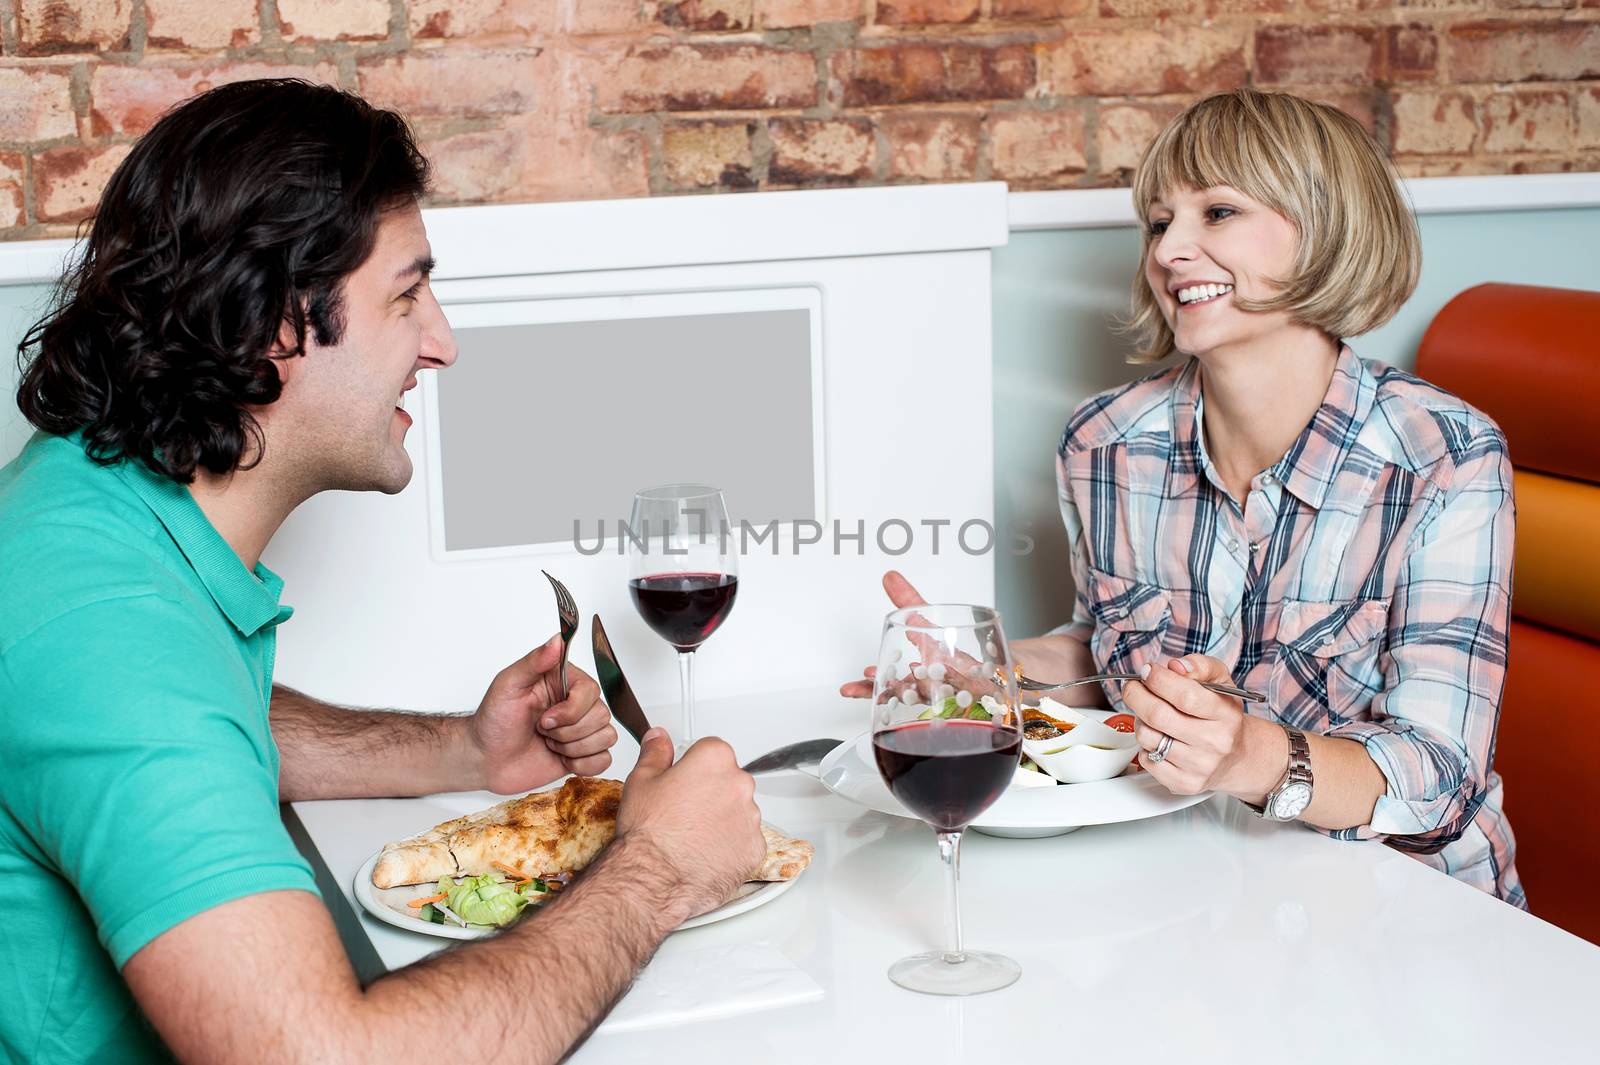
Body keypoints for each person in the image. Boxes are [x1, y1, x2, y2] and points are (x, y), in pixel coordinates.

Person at [0, 80, 765, 1064]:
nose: (439, 343)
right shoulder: (109, 631)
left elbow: (198, 723)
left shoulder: (83, 509)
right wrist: (663, 869)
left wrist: (464, 752)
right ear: (274, 326)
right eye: (405, 296)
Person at [845, 88, 1522, 906]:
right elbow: (1108, 646)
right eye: (1161, 222)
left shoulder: (1443, 458)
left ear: (1325, 228)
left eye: (1219, 212)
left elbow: (1441, 779)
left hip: (1407, 908)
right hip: (1188, 883)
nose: (1171, 250)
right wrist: (993, 673)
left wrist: (1249, 756)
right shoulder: (1105, 444)